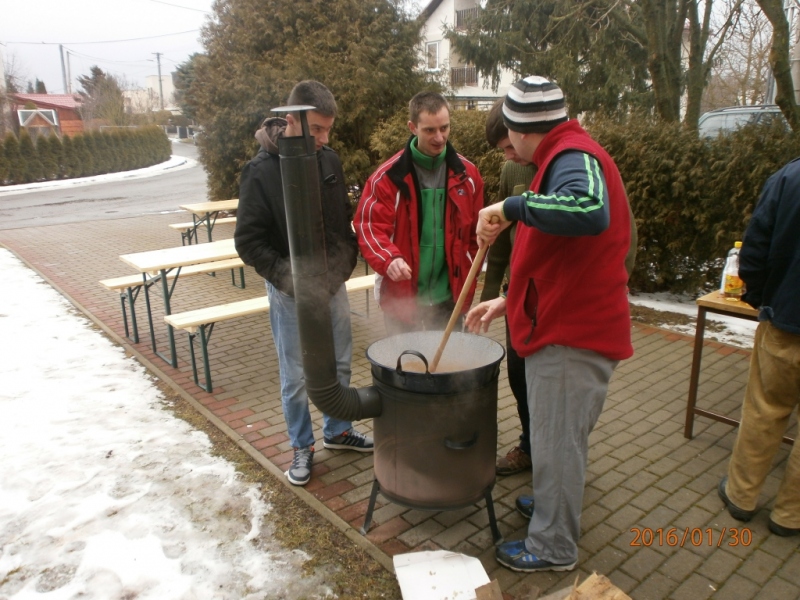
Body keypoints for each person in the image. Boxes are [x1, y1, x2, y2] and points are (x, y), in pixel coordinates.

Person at [465, 76, 633, 572]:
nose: (509, 145)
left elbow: (588, 210)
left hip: (570, 337)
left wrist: (508, 206)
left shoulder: (573, 157)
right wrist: (507, 300)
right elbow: (557, 256)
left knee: (558, 445)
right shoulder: (560, 156)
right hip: (559, 322)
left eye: (509, 133)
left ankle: (552, 546)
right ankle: (552, 505)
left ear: (520, 128)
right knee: (557, 440)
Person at [234, 80, 373, 488]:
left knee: (341, 362)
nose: (324, 139)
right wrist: (290, 280)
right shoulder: (260, 171)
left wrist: (339, 271)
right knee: (295, 375)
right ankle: (301, 444)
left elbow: (341, 224)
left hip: (332, 285)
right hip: (289, 293)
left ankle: (338, 429)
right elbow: (249, 241)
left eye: (328, 130)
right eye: (316, 130)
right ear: (290, 120)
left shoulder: (328, 160)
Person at [354, 91, 484, 334]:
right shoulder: (386, 178)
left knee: (451, 368)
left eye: (444, 128)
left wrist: (471, 270)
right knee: (405, 367)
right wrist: (389, 259)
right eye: (430, 130)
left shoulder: (469, 175)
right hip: (403, 299)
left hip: (451, 297)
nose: (440, 137)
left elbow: (477, 235)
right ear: (412, 127)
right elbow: (369, 226)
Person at [717, 157, 800, 537]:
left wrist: (765, 300)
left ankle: (741, 496)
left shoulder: (788, 176)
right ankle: (790, 516)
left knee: (764, 409)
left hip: (786, 320)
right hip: (784, 312)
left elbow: (754, 250)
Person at [482, 99, 537, 476]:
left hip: (549, 300)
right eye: (503, 150)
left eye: (509, 146)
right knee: (518, 376)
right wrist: (487, 297)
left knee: (547, 384)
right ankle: (529, 445)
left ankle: (551, 455)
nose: (509, 156)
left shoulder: (558, 169)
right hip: (515, 296)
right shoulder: (509, 171)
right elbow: (500, 241)